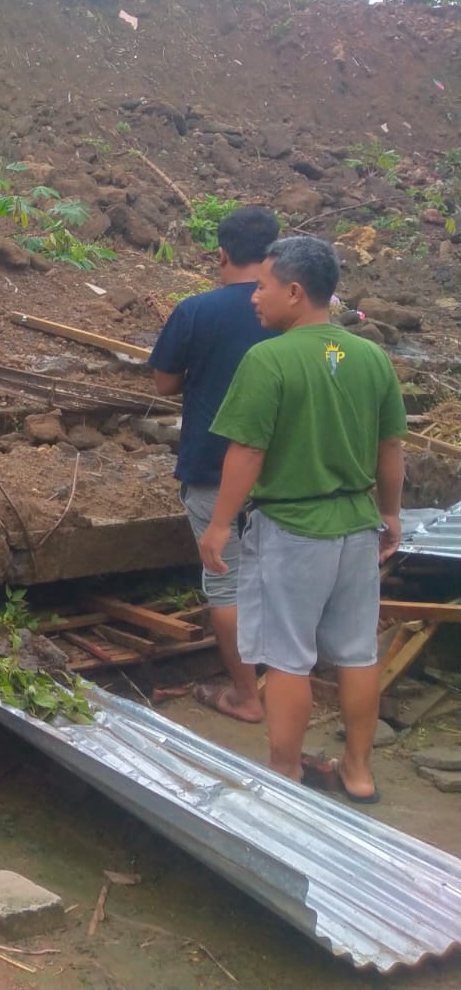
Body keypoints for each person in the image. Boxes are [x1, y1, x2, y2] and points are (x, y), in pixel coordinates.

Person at [199, 236, 405, 804]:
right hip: (356, 526)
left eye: (262, 286)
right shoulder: (366, 357)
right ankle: (358, 774)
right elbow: (391, 449)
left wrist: (219, 525)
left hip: (292, 529)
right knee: (358, 653)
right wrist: (389, 512)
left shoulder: (269, 359)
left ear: (295, 291)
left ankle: (284, 770)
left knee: (288, 658)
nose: (253, 298)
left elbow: (246, 451)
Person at [149, 206, 280, 723]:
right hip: (282, 468)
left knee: (225, 581)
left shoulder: (195, 310)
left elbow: (163, 382)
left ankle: (246, 694)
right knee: (278, 570)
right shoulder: (295, 311)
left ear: (220, 254)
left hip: (212, 464)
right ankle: (286, 676)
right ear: (273, 256)